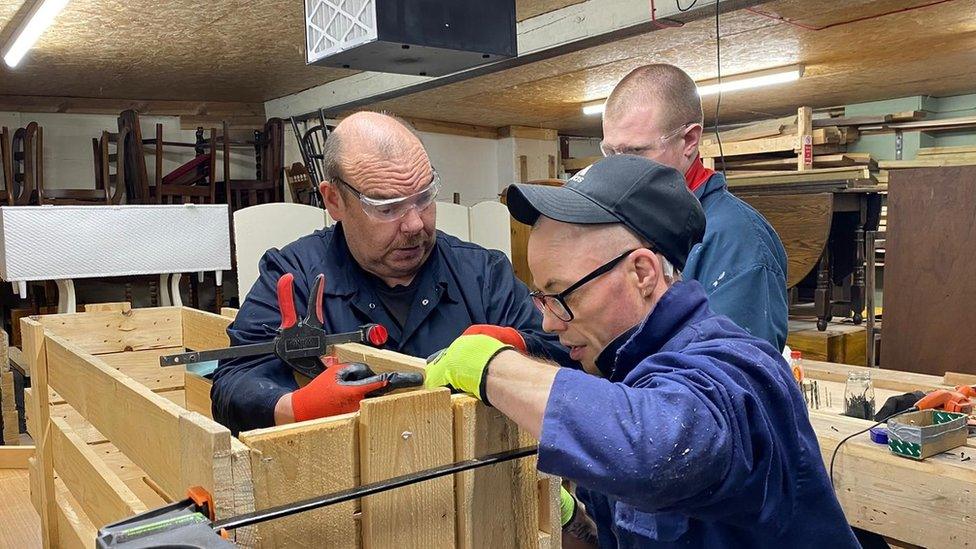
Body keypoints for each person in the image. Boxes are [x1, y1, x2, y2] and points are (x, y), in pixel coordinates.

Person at [425, 155, 859, 547]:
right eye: (540, 297)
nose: (548, 323)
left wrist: (492, 368)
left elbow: (653, 445)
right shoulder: (621, 378)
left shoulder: (739, 371)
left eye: (562, 296)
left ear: (642, 273)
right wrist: (570, 518)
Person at [212, 111, 571, 435]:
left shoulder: (484, 274)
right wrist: (298, 408)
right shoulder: (293, 275)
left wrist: (519, 347)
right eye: (387, 207)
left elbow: (565, 357)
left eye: (424, 198)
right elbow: (231, 386)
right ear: (334, 200)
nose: (415, 224)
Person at [600, 63, 789, 350]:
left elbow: (736, 376)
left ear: (689, 140)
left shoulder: (736, 241)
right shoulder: (635, 222)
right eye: (610, 152)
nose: (618, 168)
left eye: (635, 152)